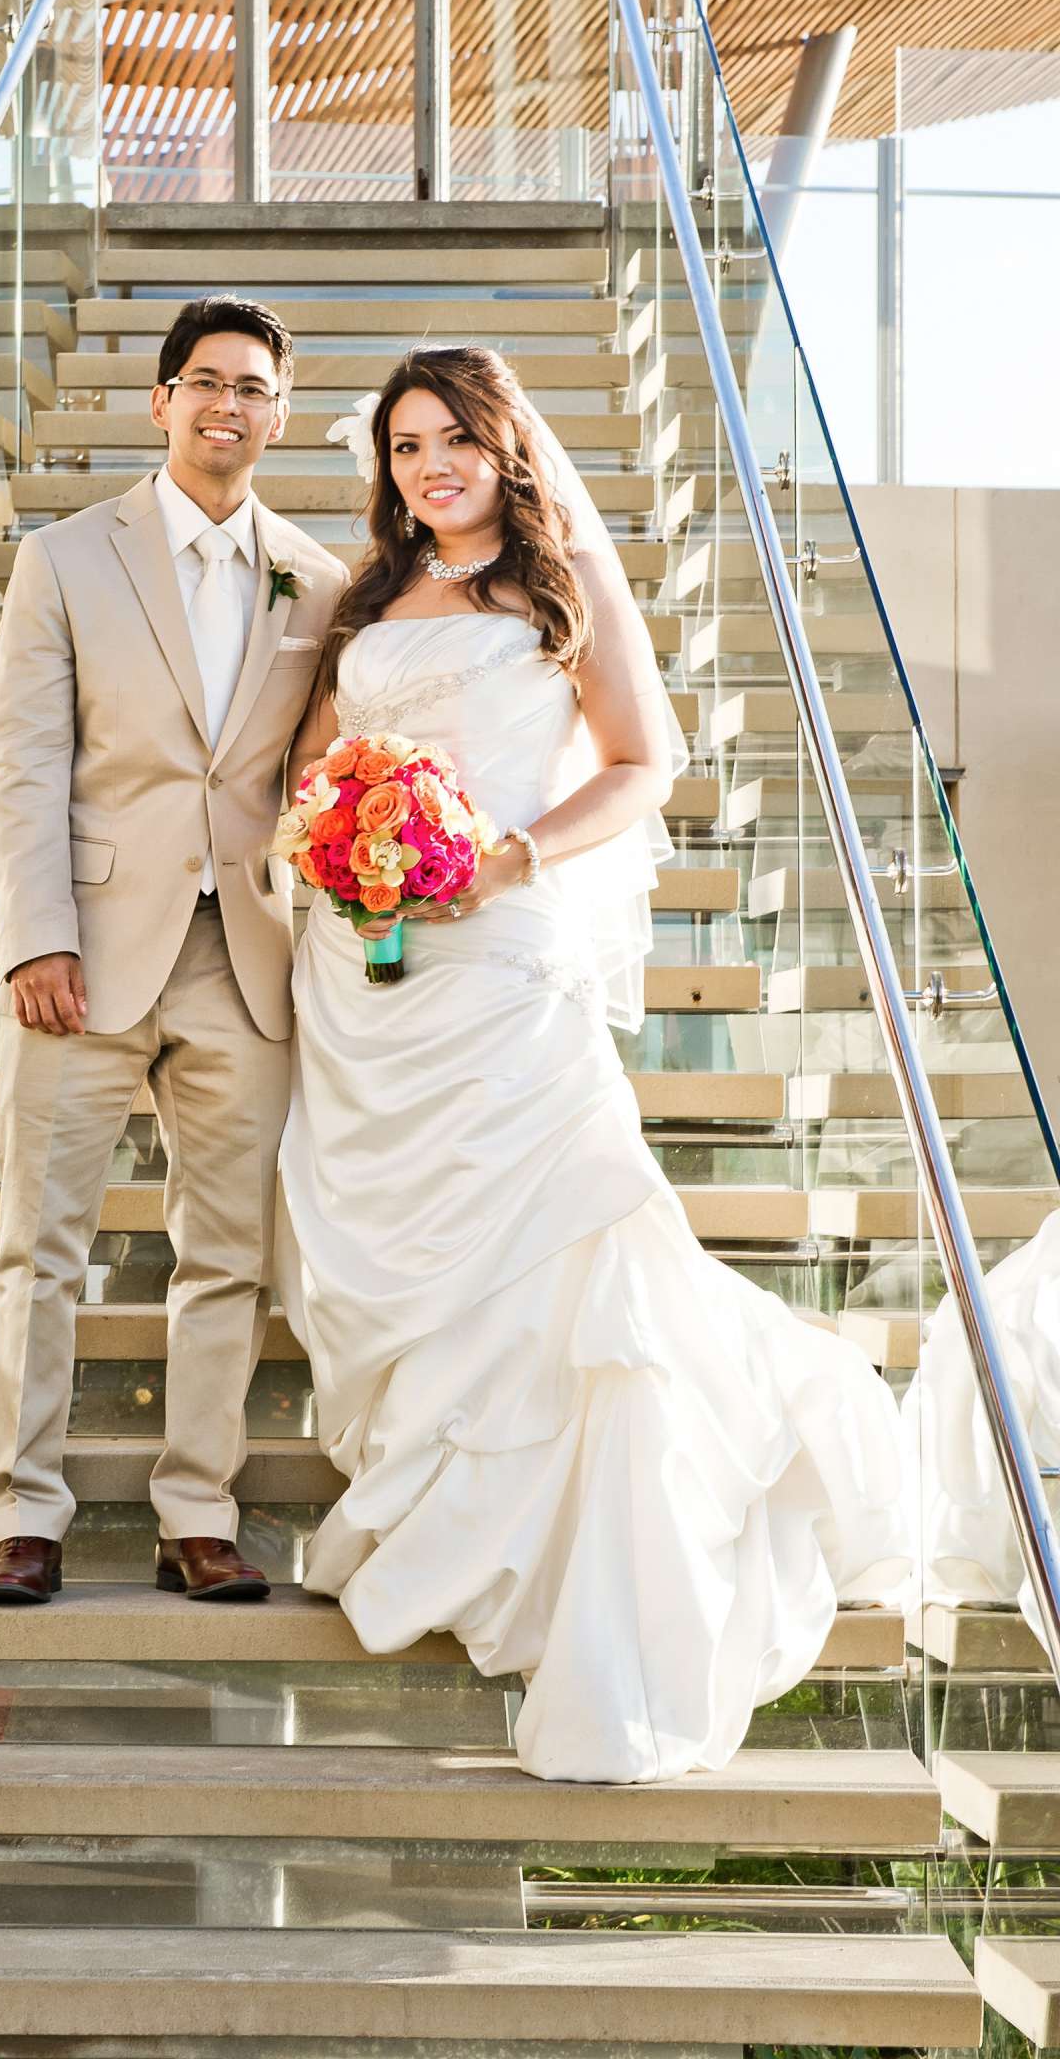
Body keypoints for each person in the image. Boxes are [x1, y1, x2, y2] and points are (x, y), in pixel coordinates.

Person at [277, 342, 909, 1780]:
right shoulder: (369, 599)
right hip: (364, 968)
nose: (428, 466)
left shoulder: (558, 592)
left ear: (504, 447)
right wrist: (337, 839)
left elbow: (644, 763)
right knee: (381, 1235)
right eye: (403, 446)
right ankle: (434, 1503)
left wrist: (508, 852)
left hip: (500, 959)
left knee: (560, 1244)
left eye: (451, 439)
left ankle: (568, 1560)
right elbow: (321, 762)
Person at [0, 294, 349, 1606]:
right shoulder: (68, 558)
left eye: (252, 386)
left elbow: (316, 767)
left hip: (245, 958)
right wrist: (35, 939)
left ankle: (200, 1510)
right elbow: (22, 762)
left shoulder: (323, 579)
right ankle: (24, 1512)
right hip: (82, 953)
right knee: (43, 1247)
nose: (226, 406)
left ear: (280, 413)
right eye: (204, 382)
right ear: (160, 402)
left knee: (227, 1255)